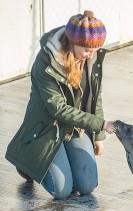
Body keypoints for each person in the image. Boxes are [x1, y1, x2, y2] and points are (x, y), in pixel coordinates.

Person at [5, 10, 116, 200]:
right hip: (46, 129)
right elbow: (58, 109)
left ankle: (60, 155)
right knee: (62, 191)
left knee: (87, 185)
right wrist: (100, 123)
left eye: (95, 49)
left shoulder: (90, 58)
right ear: (72, 42)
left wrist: (99, 136)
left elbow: (95, 97)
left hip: (72, 128)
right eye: (87, 49)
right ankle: (27, 161)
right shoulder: (45, 63)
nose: (91, 54)